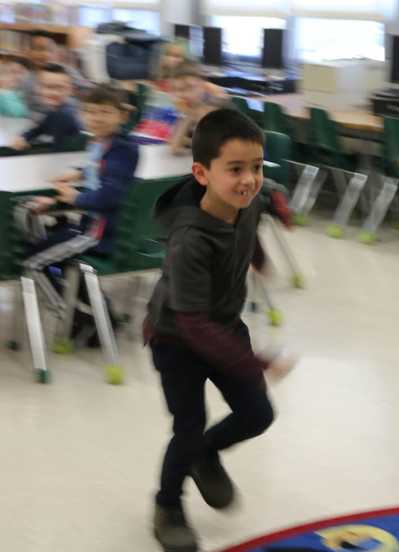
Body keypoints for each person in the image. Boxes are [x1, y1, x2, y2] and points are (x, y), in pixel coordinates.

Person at [144, 109, 294, 552]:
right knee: (188, 426)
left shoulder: (246, 197)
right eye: (235, 169)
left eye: (257, 166)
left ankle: (205, 454)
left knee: (257, 414)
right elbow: (192, 325)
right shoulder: (189, 240)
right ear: (201, 173)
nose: (250, 179)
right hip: (176, 338)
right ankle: (167, 505)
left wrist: (261, 251)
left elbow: (265, 198)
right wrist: (254, 361)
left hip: (225, 324)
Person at [16, 84, 139, 339]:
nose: (97, 118)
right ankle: (101, 316)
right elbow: (99, 169)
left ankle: (73, 317)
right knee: (45, 245)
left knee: (32, 262)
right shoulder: (102, 143)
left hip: (98, 232)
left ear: (122, 116)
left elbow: (110, 194)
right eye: (91, 112)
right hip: (90, 225)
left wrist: (76, 197)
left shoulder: (123, 148)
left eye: (105, 112)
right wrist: (78, 174)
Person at [9, 63, 82, 152]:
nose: (54, 93)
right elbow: (38, 129)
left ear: (70, 90)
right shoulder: (54, 111)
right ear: (37, 89)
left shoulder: (64, 114)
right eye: (48, 87)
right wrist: (23, 138)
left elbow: (58, 152)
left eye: (60, 88)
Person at [168, 61, 229, 155]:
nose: (183, 94)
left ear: (202, 84)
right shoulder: (191, 107)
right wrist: (188, 116)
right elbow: (174, 147)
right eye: (178, 89)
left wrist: (187, 141)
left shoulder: (213, 107)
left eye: (189, 87)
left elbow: (211, 148)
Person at [22, 30, 86, 116]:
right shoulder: (27, 80)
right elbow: (28, 109)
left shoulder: (68, 72)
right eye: (37, 49)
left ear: (55, 52)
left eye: (48, 50)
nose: (43, 54)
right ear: (29, 52)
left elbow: (86, 91)